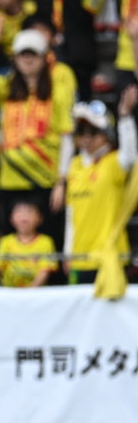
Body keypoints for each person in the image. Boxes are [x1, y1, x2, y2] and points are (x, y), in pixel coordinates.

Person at [0, 24, 74, 244]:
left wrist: (61, 182)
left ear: (45, 57)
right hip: (10, 182)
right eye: (22, 54)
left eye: (33, 54)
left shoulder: (58, 91)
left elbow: (67, 137)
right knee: (12, 243)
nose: (27, 59)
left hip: (46, 181)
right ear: (14, 59)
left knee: (49, 243)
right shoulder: (6, 88)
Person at [62, 88, 137, 285]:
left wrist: (125, 116)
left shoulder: (113, 163)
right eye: (81, 132)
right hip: (79, 258)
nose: (87, 138)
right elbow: (71, 214)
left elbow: (130, 156)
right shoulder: (74, 165)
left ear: (107, 135)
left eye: (93, 132)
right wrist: (68, 253)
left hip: (110, 258)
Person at [0, 198, 57, 287]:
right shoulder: (6, 241)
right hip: (9, 292)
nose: (24, 216)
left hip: (37, 292)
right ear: (11, 219)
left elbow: (45, 270)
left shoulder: (45, 242)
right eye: (19, 211)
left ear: (40, 218)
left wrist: (31, 290)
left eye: (29, 212)